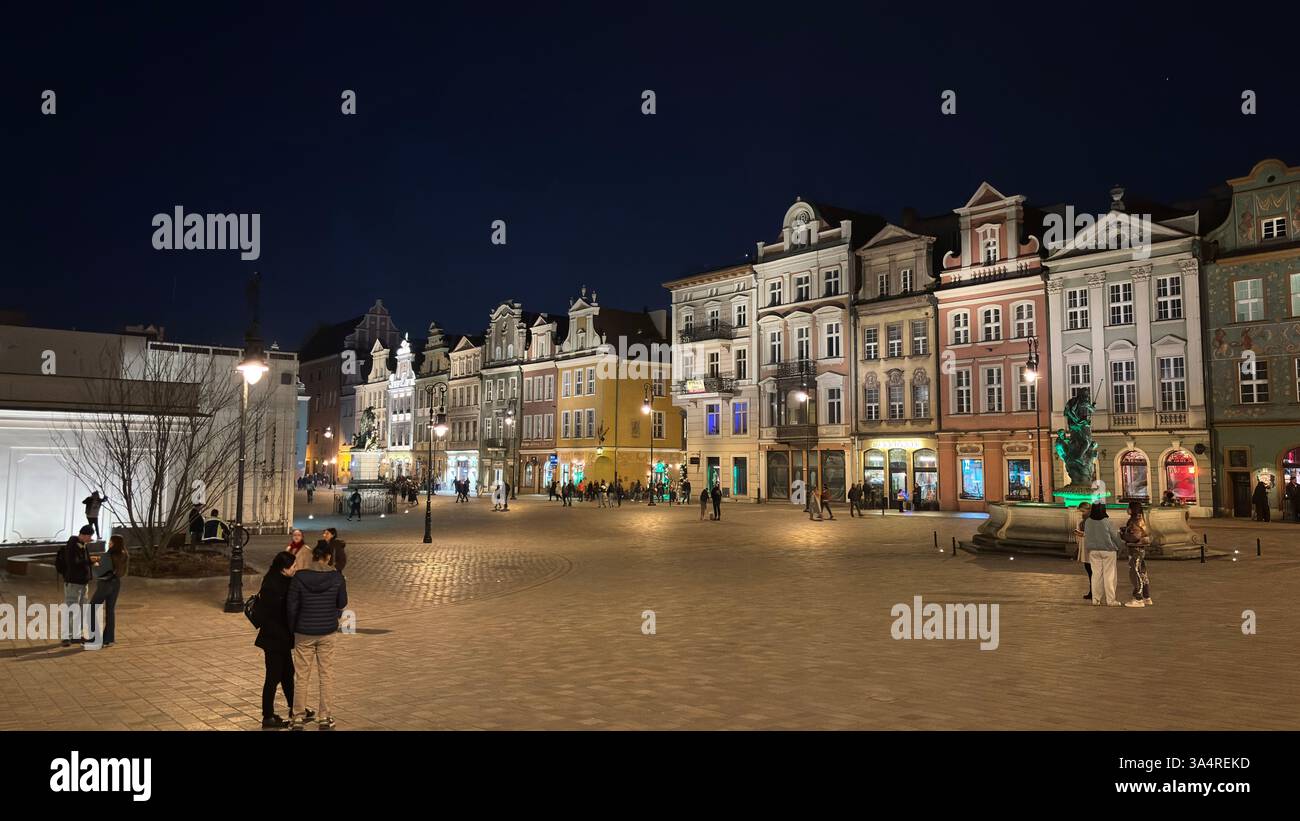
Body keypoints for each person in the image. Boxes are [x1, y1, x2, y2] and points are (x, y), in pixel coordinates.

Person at [288, 542, 348, 731]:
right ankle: (324, 716)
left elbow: (291, 606)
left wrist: (293, 628)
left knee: (302, 676)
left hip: (303, 631)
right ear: (329, 556)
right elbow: (342, 602)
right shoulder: (337, 577)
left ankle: (297, 716)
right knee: (326, 674)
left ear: (314, 555)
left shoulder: (299, 577)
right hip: (327, 631)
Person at [255, 551, 298, 729]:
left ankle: (295, 708)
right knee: (273, 677)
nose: (296, 569)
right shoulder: (275, 586)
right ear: (283, 569)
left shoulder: (277, 580)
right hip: (274, 639)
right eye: (293, 566)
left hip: (280, 638)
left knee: (288, 674)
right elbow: (279, 613)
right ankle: (267, 716)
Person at [56, 525, 95, 646]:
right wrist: (90, 561)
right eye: (89, 536)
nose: (90, 539)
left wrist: (89, 562)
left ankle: (76, 635)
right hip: (73, 583)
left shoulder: (83, 545)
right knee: (71, 609)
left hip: (83, 583)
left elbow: (83, 562)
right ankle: (66, 637)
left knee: (81, 609)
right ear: (84, 535)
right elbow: (74, 563)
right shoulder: (72, 545)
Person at [88, 533, 128, 648]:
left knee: (92, 608)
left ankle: (95, 637)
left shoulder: (108, 555)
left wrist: (95, 563)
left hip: (105, 584)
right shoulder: (124, 555)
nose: (109, 543)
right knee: (110, 611)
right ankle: (109, 638)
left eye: (111, 541)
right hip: (116, 583)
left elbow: (99, 571)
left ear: (114, 543)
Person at [1082, 502, 1127, 605]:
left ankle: (1096, 599)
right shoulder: (1107, 522)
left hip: (1093, 551)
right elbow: (1115, 537)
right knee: (1109, 575)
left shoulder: (1088, 522)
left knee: (1096, 575)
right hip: (1108, 551)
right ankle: (1110, 600)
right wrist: (1120, 547)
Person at [1120, 501, 1153, 608]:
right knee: (1142, 572)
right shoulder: (1141, 518)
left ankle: (1138, 598)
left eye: (1128, 507)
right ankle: (1146, 596)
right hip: (1140, 549)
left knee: (1135, 572)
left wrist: (1122, 535)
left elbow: (1134, 537)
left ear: (1132, 509)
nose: (1127, 509)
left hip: (1135, 549)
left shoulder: (1135, 521)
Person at [1073, 502, 1093, 600]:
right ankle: (1092, 590)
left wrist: (1082, 534)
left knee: (1091, 569)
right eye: (1081, 511)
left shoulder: (1091, 520)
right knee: (1088, 568)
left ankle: (1093, 591)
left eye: (1083, 511)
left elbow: (1093, 533)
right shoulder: (1082, 520)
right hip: (1084, 545)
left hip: (1089, 546)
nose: (1082, 513)